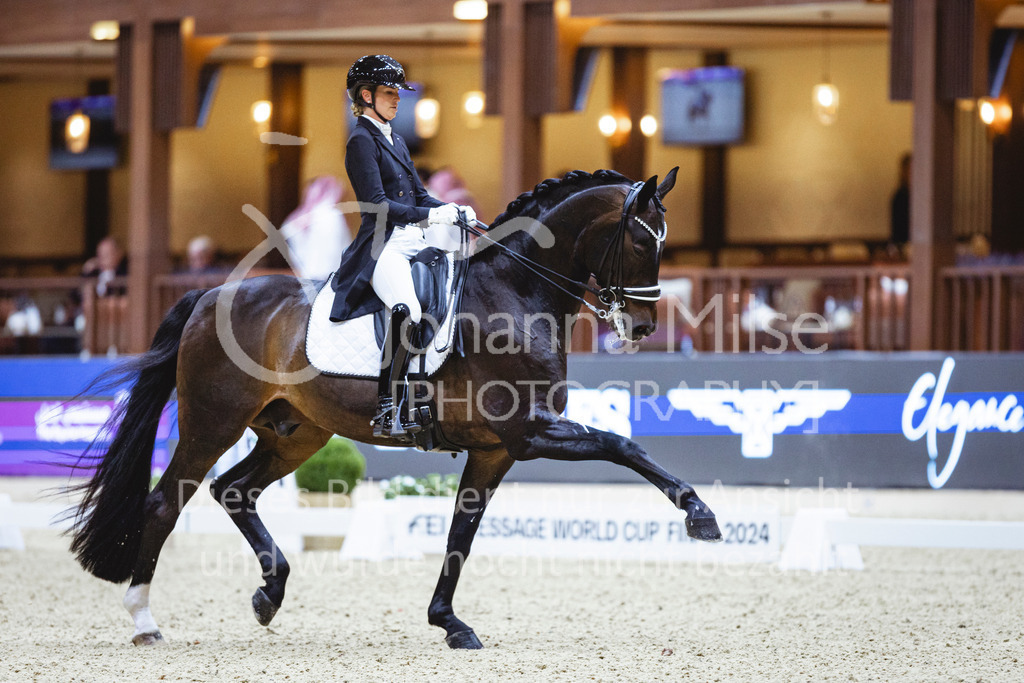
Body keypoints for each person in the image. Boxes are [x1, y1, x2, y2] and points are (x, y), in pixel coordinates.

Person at [329, 54, 475, 438]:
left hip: (415, 240)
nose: (397, 101)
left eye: (398, 93)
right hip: (384, 245)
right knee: (407, 310)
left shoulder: (394, 137)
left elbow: (420, 195)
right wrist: (431, 218)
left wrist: (452, 210)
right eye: (389, 93)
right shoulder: (361, 140)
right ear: (366, 95)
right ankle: (386, 406)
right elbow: (377, 206)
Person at [282, 176, 352, 281]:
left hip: (311, 275)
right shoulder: (332, 215)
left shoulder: (307, 216)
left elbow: (288, 232)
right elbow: (336, 251)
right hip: (329, 276)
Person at [889, 153, 911, 252]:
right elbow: (898, 230)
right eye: (910, 170)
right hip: (903, 247)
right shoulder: (900, 197)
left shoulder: (925, 198)